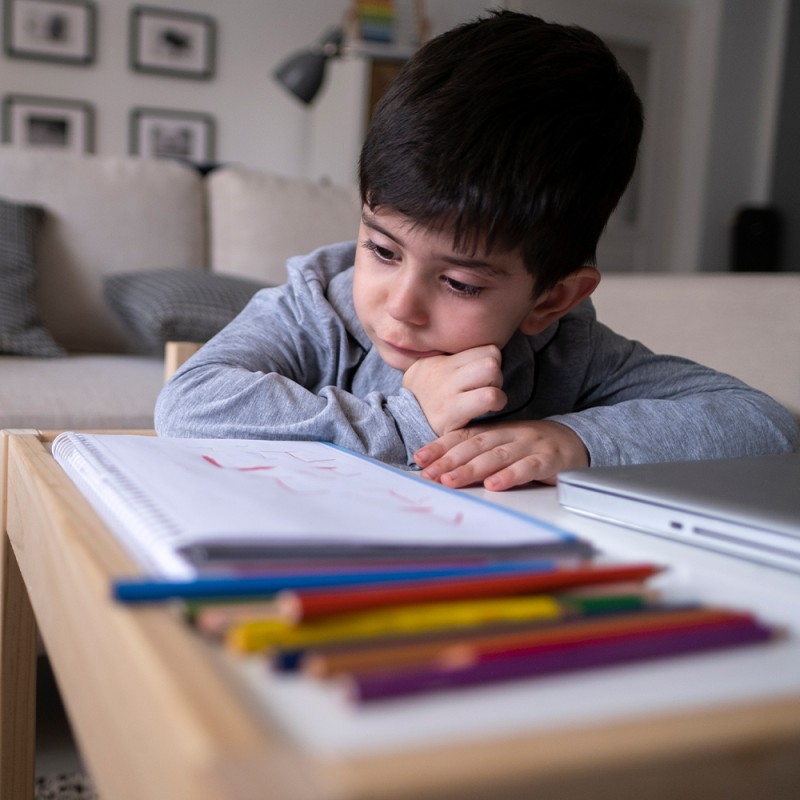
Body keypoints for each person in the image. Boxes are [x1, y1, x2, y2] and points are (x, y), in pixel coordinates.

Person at [155, 10, 798, 491]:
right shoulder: (318, 306)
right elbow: (188, 405)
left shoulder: (569, 353)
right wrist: (407, 418)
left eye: (460, 283)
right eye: (382, 250)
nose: (400, 306)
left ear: (550, 297)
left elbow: (766, 424)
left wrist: (574, 438)